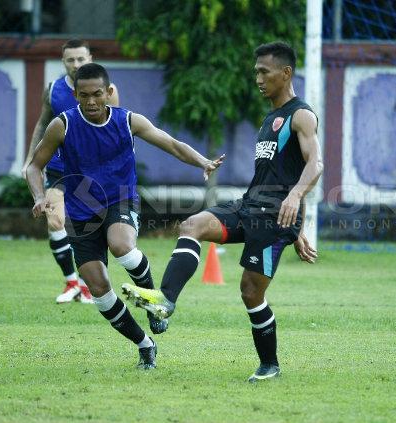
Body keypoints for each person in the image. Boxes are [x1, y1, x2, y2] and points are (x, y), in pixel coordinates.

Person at [121, 41, 323, 382]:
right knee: (193, 224)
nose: (257, 78)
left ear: (285, 73)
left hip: (274, 217)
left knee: (250, 291)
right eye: (256, 71)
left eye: (264, 72)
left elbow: (315, 163)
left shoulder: (300, 115)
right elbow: (280, 173)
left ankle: (269, 365)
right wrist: (298, 228)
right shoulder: (270, 117)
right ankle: (165, 301)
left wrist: (294, 205)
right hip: (250, 206)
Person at [26, 63, 224, 369]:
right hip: (81, 212)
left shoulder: (128, 120)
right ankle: (145, 344)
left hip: (120, 200)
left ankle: (154, 303)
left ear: (108, 92)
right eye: (83, 95)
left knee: (121, 245)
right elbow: (34, 166)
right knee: (98, 287)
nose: (90, 102)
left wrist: (202, 161)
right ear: (75, 95)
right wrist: (40, 196)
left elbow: (170, 143)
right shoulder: (62, 125)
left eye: (96, 94)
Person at [21, 39, 120, 305]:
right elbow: (42, 125)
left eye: (81, 59)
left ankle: (90, 286)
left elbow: (114, 129)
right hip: (58, 169)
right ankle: (72, 282)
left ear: (90, 58)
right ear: (63, 61)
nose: (76, 64)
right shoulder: (53, 89)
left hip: (91, 174)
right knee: (54, 221)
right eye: (70, 60)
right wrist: (30, 159)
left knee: (89, 227)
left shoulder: (105, 89)